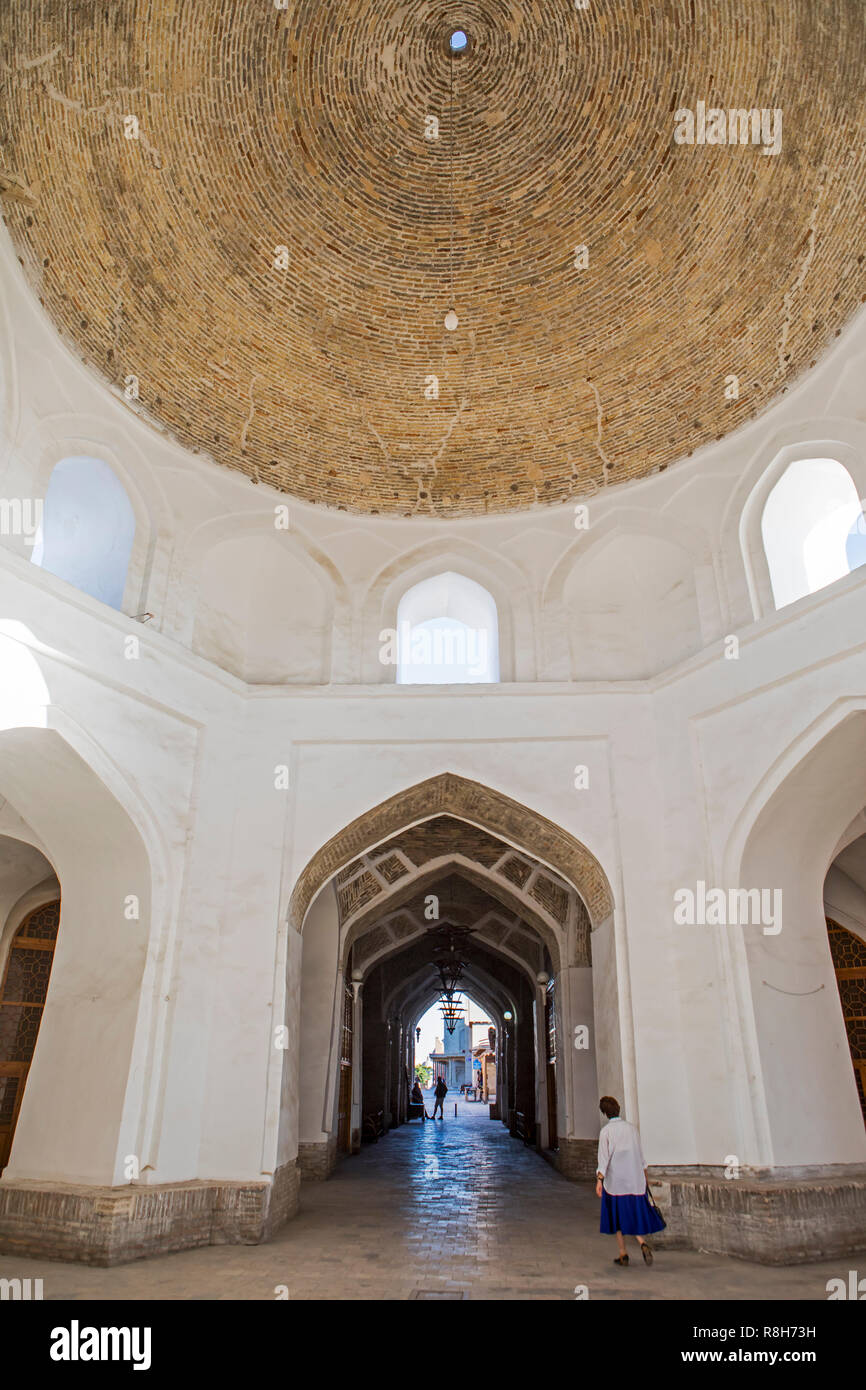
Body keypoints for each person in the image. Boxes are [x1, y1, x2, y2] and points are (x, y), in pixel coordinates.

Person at [596, 1095, 665, 1266]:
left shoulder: (606, 1132)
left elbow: (603, 1159)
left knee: (617, 1218)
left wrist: (599, 1180)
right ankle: (641, 1243)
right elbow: (641, 1157)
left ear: (605, 1112)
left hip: (615, 1184)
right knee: (632, 1214)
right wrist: (645, 1177)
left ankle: (623, 1253)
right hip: (635, 1182)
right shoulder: (632, 1129)